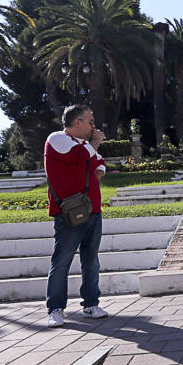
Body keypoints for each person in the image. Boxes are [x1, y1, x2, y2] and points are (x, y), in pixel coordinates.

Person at [44, 104, 109, 327]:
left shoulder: (85, 145)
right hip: (68, 211)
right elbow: (78, 157)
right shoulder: (57, 139)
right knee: (62, 260)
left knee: (91, 260)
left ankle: (91, 304)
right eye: (90, 122)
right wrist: (95, 144)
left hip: (92, 209)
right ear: (77, 122)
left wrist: (99, 168)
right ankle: (55, 308)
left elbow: (98, 161)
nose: (94, 126)